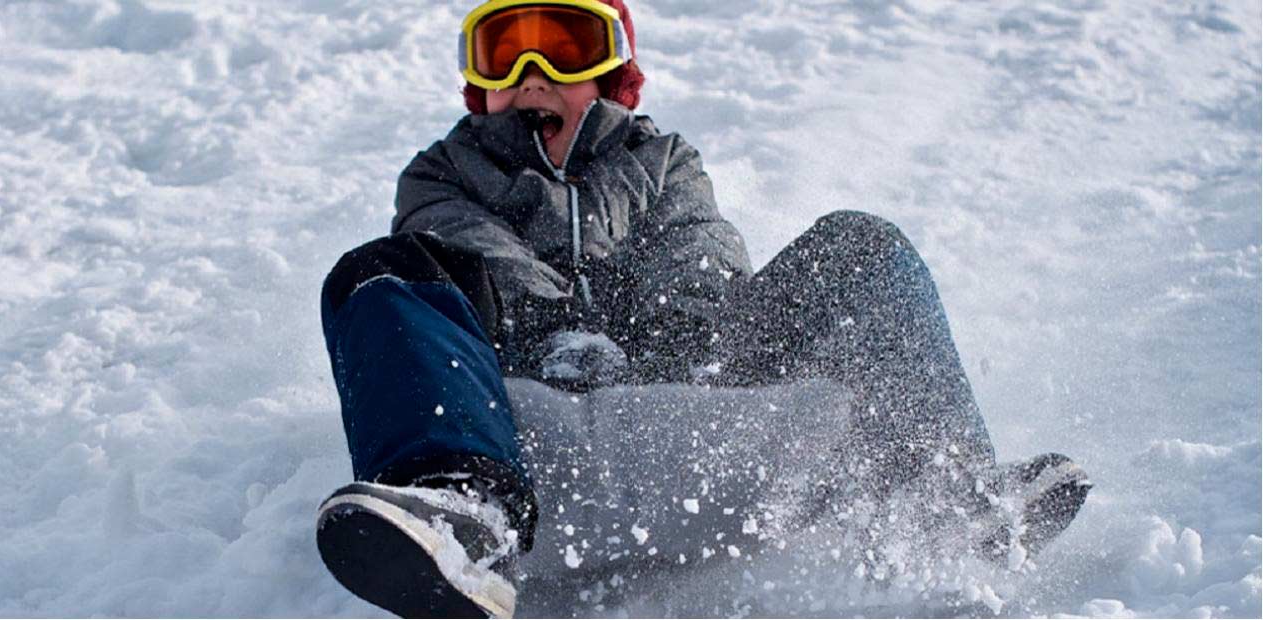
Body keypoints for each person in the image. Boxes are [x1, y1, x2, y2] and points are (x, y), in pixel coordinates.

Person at [313, 1, 1091, 617]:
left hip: (689, 359)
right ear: (479, 81)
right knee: (380, 273)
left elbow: (699, 251)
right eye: (505, 51)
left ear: (614, 73)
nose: (533, 73)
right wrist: (556, 334)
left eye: (565, 47)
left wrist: (669, 333)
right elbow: (474, 249)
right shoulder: (442, 173)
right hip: (516, 377)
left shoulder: (661, 160)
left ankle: (946, 494)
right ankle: (462, 511)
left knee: (859, 246)